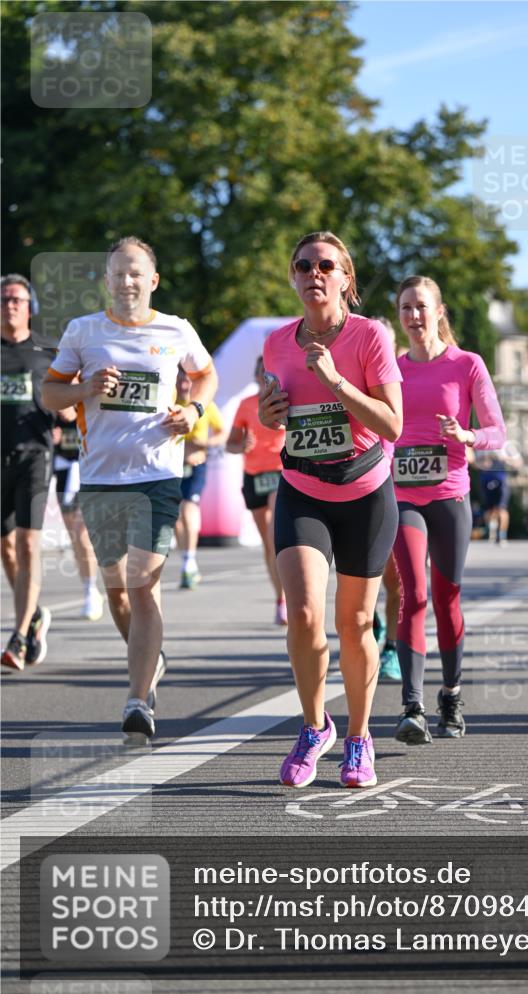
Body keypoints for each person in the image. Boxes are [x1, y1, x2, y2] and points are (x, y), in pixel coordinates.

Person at [42, 236, 218, 739]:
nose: (126, 281)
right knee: (116, 591)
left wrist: (194, 411)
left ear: (153, 280)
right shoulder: (84, 331)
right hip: (100, 478)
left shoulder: (176, 330)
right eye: (118, 273)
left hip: (158, 476)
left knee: (143, 586)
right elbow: (51, 393)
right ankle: (151, 657)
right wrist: (85, 389)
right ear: (106, 280)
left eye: (136, 273)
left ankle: (138, 701)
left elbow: (206, 377)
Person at [259, 231, 402, 788]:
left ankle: (360, 737)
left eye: (326, 265)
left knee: (357, 621)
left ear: (346, 279)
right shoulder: (275, 343)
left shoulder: (369, 337)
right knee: (303, 614)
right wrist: (272, 414)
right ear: (293, 277)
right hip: (302, 486)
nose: (314, 273)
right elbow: (278, 416)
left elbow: (392, 424)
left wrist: (336, 381)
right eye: (303, 265)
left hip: (365, 491)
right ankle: (315, 726)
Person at [390, 275, 506, 745]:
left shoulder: (467, 365)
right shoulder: (391, 368)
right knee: (411, 593)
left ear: (439, 311)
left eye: (421, 306)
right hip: (402, 495)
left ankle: (451, 695)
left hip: (450, 495)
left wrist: (467, 436)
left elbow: (498, 431)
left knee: (446, 598)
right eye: (405, 308)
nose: (414, 316)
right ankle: (412, 706)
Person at [1, 273, 61, 670]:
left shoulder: (47, 351)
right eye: (4, 299)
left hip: (36, 457)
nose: (10, 305)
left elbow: (66, 402)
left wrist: (69, 414)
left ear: (29, 306)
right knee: (5, 547)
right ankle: (36, 613)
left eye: (17, 300)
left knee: (26, 545)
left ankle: (19, 637)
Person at [226, 356, 287, 624]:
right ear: (255, 376)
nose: (265, 378)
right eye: (261, 372)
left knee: (275, 536)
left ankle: (286, 599)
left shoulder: (286, 401)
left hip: (279, 470)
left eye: (269, 373)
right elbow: (230, 444)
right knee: (267, 544)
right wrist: (242, 446)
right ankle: (280, 597)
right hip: (253, 475)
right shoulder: (246, 405)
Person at [370, 317, 403, 683]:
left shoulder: (406, 379)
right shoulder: (354, 378)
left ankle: (392, 646)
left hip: (400, 491)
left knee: (398, 580)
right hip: (361, 489)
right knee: (363, 574)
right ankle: (375, 621)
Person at [173, 366, 226, 589]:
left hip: (196, 465)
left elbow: (222, 432)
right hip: (173, 467)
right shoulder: (170, 401)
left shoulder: (203, 405)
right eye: (180, 379)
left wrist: (206, 444)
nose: (184, 383)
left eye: (188, 379)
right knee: (176, 515)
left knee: (188, 508)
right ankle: (187, 561)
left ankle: (190, 561)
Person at [52, 413, 106, 620]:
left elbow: (70, 413)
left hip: (90, 469)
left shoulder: (87, 391)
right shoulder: (54, 389)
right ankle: (88, 587)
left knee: (82, 534)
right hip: (64, 470)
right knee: (75, 537)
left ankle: (92, 591)